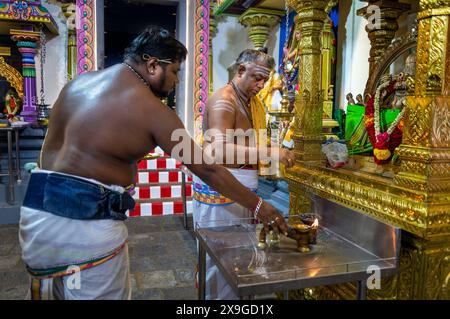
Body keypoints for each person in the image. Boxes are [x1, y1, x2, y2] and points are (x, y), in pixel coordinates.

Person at [19, 26, 288, 300]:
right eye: (175, 71)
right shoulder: (154, 112)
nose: (177, 81)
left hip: (36, 219)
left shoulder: (77, 84)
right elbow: (206, 167)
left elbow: (48, 151)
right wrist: (258, 205)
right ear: (152, 65)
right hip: (86, 228)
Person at [194, 49, 295, 299]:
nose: (261, 85)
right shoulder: (224, 101)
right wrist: (271, 153)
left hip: (240, 185)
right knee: (220, 259)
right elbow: (217, 150)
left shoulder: (251, 101)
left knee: (238, 257)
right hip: (222, 188)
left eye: (265, 79)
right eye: (257, 78)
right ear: (241, 71)